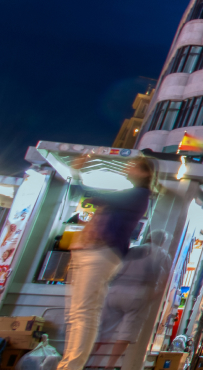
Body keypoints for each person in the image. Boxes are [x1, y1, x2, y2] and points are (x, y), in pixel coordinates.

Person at [57, 157, 154, 370]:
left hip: (101, 252)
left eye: (134, 166)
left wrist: (77, 173)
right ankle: (68, 363)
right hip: (90, 250)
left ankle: (72, 365)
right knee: (77, 312)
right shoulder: (133, 195)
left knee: (84, 311)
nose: (128, 168)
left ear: (145, 173)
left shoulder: (139, 194)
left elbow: (98, 197)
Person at [98, 230, 172, 344]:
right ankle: (111, 362)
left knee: (105, 330)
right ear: (162, 242)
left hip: (116, 291)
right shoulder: (163, 255)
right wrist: (156, 293)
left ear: (148, 238)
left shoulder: (132, 250)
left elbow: (114, 270)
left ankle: (94, 358)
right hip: (139, 294)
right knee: (127, 332)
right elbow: (165, 278)